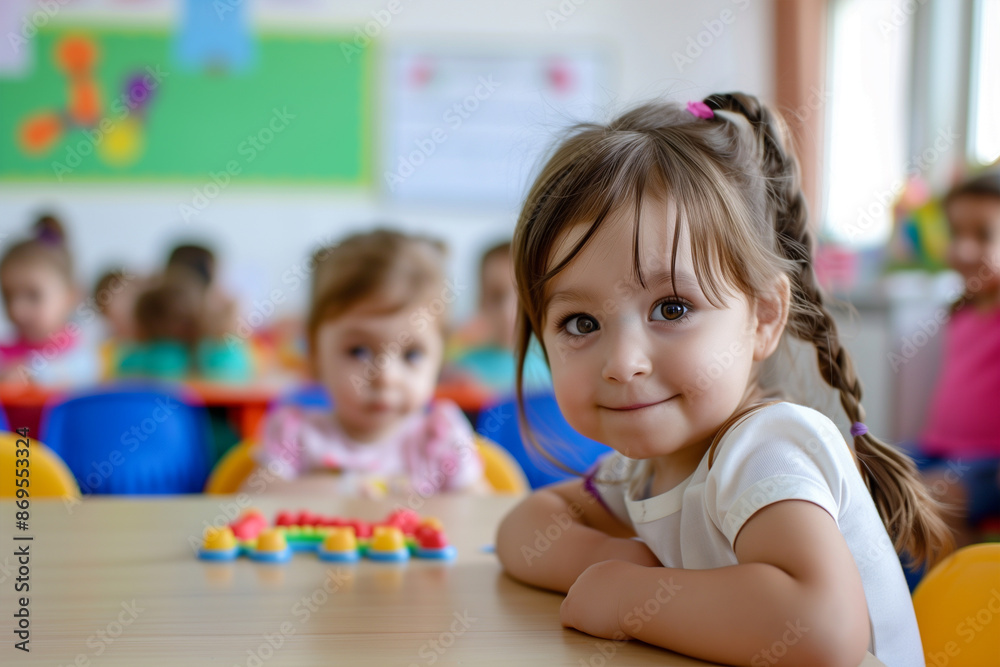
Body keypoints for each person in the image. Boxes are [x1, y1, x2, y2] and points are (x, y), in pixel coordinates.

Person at [495, 94, 951, 667]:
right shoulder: (644, 472)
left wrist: (627, 598)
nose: (624, 362)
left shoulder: (764, 451)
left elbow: (821, 629)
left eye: (672, 309)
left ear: (762, 318)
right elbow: (525, 526)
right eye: (580, 323)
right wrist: (613, 559)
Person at [248, 229, 485, 498]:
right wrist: (345, 489)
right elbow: (254, 499)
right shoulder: (297, 435)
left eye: (411, 355)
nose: (385, 376)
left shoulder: (441, 438)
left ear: (440, 357)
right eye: (358, 351)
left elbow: (478, 514)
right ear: (315, 355)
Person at [916, 168, 1000, 546]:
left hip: (987, 463)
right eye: (957, 233)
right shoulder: (961, 313)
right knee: (867, 474)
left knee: (929, 502)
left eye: (983, 235)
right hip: (934, 448)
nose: (964, 249)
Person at [0, 214, 99, 386]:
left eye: (33, 295)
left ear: (71, 296)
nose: (17, 309)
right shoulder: (4, 354)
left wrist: (32, 374)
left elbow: (84, 371)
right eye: (8, 296)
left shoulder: (82, 352)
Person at [448, 241, 551, 394]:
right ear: (480, 302)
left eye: (523, 296)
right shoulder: (460, 370)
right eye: (496, 296)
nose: (507, 310)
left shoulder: (555, 361)